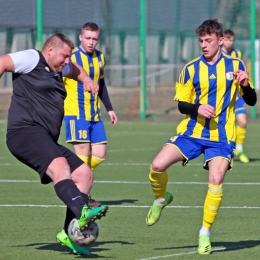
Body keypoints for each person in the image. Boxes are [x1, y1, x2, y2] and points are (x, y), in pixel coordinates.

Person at [145, 19, 256, 255]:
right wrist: (198, 108)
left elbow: (252, 100)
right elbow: (182, 105)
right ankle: (161, 199)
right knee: (156, 165)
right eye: (201, 41)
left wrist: (245, 85)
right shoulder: (191, 68)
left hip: (222, 137)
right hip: (192, 132)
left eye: (208, 41)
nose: (204, 45)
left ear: (220, 40)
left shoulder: (236, 65)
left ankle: (204, 232)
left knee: (216, 180)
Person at [1, 33, 109, 256]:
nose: (67, 61)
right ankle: (82, 210)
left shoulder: (59, 69)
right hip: (24, 132)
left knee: (84, 175)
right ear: (50, 50)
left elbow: (76, 69)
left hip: (44, 137)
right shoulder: (32, 58)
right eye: (65, 55)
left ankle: (69, 234)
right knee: (60, 165)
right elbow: (2, 62)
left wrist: (87, 80)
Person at [57, 22, 118, 253]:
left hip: (94, 116)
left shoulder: (100, 58)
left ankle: (78, 183)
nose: (91, 42)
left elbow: (101, 85)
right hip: (76, 116)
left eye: (95, 39)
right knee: (83, 162)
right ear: (81, 37)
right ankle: (82, 194)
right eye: (88, 38)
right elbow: (59, 82)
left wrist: (109, 108)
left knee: (100, 154)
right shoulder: (70, 57)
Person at [222, 29, 249, 163]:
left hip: (236, 93)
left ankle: (239, 148)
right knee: (226, 124)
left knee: (243, 121)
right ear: (222, 40)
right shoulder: (217, 53)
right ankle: (226, 151)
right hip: (223, 95)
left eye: (231, 40)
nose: (228, 42)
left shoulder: (237, 53)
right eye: (226, 40)